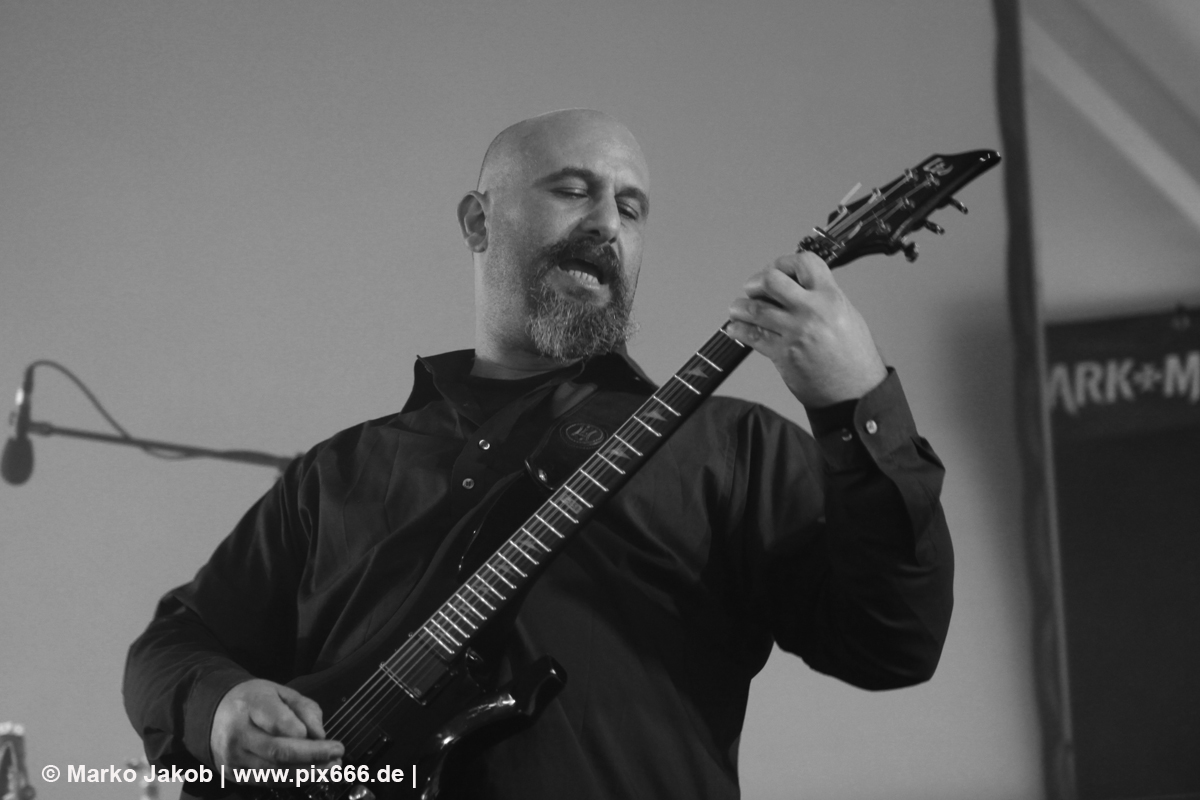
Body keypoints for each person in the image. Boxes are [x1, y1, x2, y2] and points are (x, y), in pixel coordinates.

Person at [124, 109, 953, 799]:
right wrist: (219, 706)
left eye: (632, 209)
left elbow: (893, 644)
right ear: (478, 220)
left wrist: (855, 403)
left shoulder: (728, 449)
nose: (607, 225)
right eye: (573, 190)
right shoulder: (335, 475)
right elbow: (173, 644)